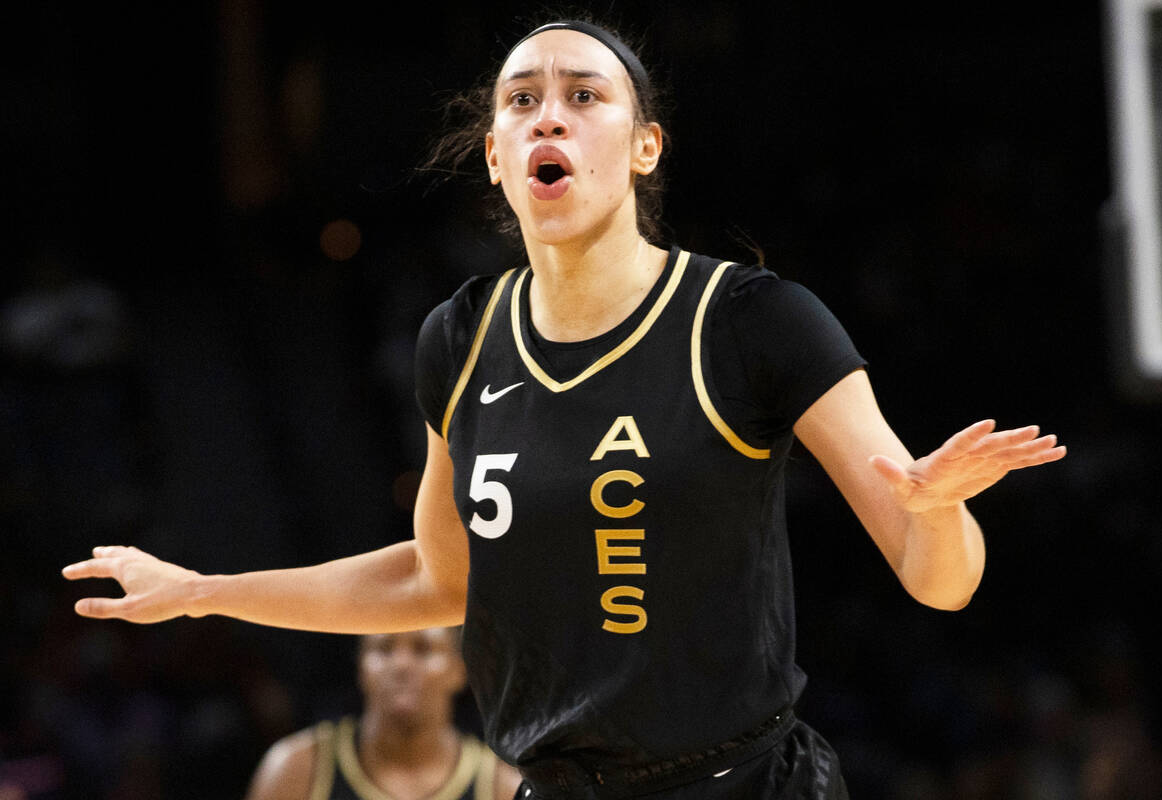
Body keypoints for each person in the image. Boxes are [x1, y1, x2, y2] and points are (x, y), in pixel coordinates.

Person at [63, 17, 1067, 799]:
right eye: (521, 101)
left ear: (644, 147)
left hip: (743, 783)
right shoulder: (456, 340)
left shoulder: (753, 320)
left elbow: (943, 582)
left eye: (586, 96)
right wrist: (203, 588)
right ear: (496, 154)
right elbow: (434, 575)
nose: (550, 115)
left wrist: (935, 509)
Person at [244, 628, 522, 800]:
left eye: (423, 649)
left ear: (460, 669)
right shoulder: (296, 769)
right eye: (384, 648)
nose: (401, 664)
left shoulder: (503, 787)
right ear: (361, 667)